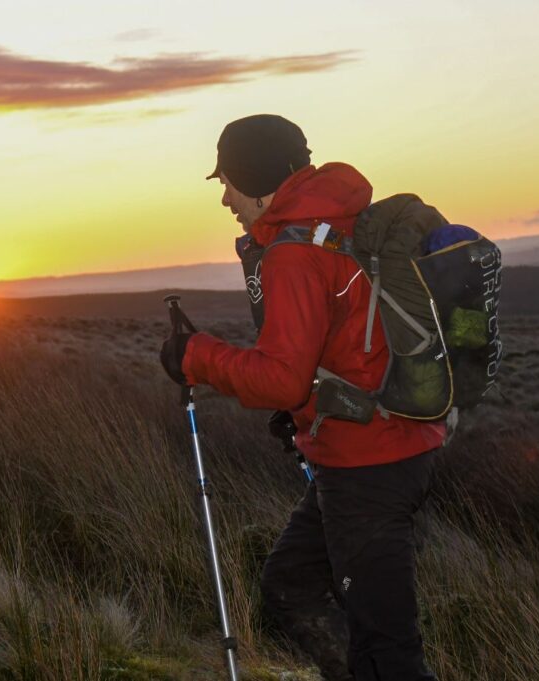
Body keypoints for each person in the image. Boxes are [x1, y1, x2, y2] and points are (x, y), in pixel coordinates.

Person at [160, 114, 444, 681]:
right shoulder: (345, 221)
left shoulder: (294, 253)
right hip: (393, 442)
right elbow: (347, 346)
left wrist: (194, 356)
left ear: (256, 176)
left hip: (368, 462)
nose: (225, 199)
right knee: (292, 583)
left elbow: (282, 379)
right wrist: (307, 412)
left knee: (387, 652)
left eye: (228, 182)